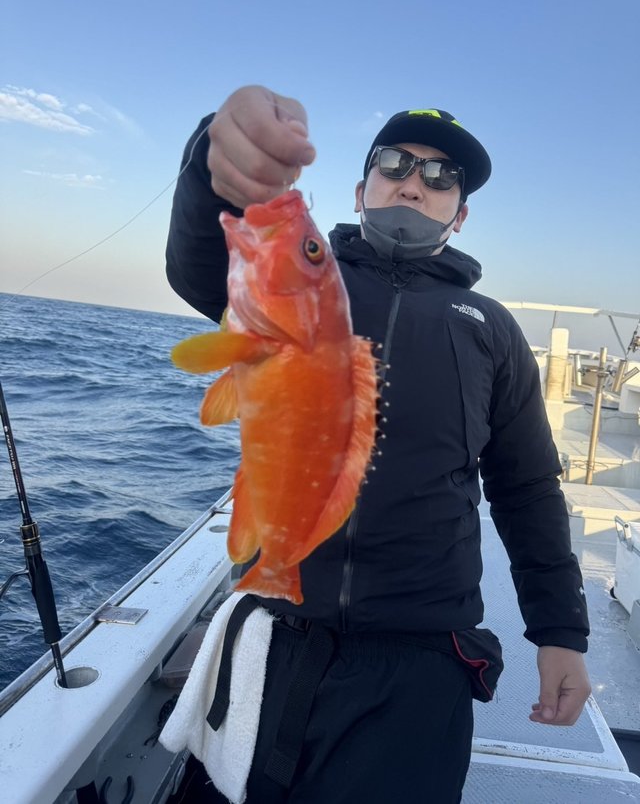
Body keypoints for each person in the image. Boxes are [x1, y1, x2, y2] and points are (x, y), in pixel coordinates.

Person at [165, 85, 591, 803]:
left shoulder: (490, 327)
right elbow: (201, 263)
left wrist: (560, 630)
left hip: (419, 664)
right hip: (274, 632)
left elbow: (527, 488)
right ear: (361, 191)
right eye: (395, 163)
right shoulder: (298, 279)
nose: (414, 182)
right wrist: (219, 149)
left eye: (442, 176)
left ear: (459, 215)